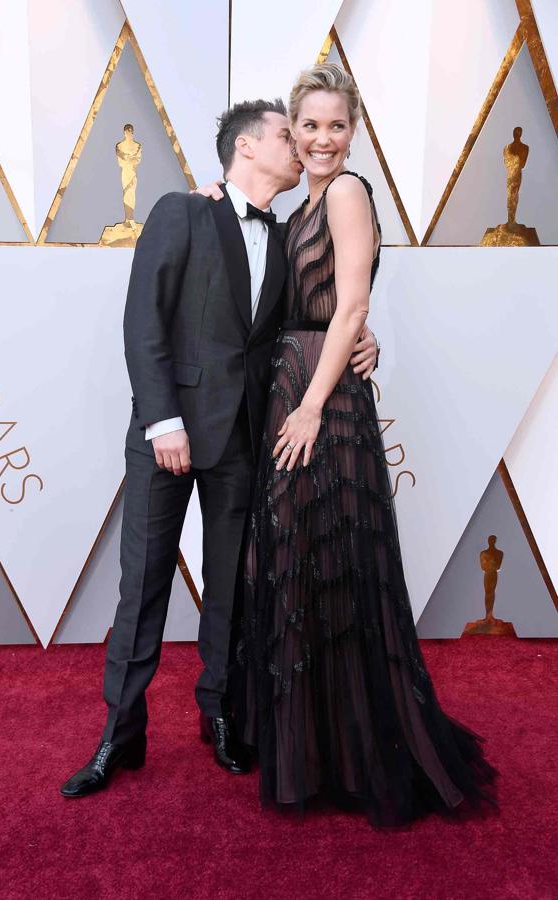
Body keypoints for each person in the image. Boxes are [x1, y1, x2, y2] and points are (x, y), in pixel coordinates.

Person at [60, 98, 379, 798]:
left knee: (231, 588)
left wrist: (359, 336)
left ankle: (221, 716)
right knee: (141, 587)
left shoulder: (294, 228)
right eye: (284, 136)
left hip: (245, 438)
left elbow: (312, 314)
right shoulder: (183, 210)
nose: (299, 147)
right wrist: (161, 421)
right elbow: (143, 320)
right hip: (168, 435)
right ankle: (121, 732)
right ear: (245, 149)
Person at [233, 64, 499, 827]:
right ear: (291, 130)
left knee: (333, 564)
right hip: (296, 382)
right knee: (294, 558)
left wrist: (315, 403)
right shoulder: (297, 204)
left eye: (335, 126)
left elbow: (351, 301)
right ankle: (314, 745)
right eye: (308, 126)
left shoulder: (347, 193)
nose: (321, 139)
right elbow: (319, 303)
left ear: (354, 132)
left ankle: (347, 752)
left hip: (321, 400)